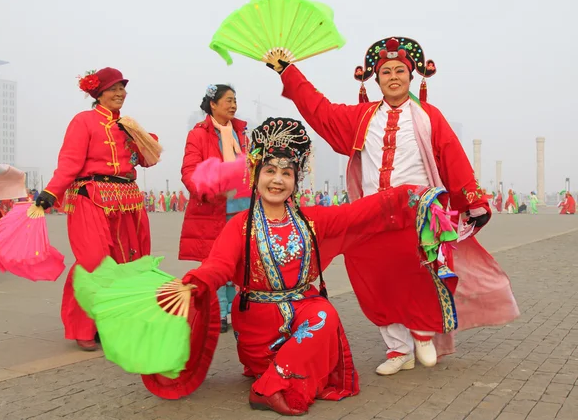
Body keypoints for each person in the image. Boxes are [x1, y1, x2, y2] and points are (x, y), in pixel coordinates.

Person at [163, 117, 455, 415]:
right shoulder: (241, 225)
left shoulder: (311, 220)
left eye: (286, 173)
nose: (277, 180)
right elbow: (219, 265)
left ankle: (270, 388)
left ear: (295, 180)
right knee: (315, 335)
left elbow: (361, 214)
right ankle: (276, 380)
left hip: (304, 317)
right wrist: (195, 282)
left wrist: (412, 195)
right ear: (255, 174)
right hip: (258, 325)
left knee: (325, 313)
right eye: (270, 171)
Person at [267, 36, 518, 375]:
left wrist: (471, 201)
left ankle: (422, 332)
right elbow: (320, 110)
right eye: (386, 72)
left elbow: (454, 160)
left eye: (400, 70)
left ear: (412, 76)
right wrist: (288, 72)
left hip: (417, 213)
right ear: (377, 78)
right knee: (372, 277)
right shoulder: (362, 118)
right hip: (370, 212)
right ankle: (398, 349)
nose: (394, 77)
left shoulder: (429, 117)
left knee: (415, 272)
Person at [35, 67, 160, 351]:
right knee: (93, 262)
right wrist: (51, 192)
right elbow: (69, 162)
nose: (120, 93)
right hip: (91, 195)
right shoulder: (84, 121)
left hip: (127, 199)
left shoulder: (127, 124)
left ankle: (112, 324)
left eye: (123, 88)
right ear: (98, 93)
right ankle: (83, 326)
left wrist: (142, 138)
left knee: (128, 262)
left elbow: (149, 160)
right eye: (114, 88)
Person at [179, 84, 249, 333]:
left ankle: (234, 308)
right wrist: (207, 189)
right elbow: (189, 171)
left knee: (239, 261)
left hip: (243, 207)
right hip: (214, 209)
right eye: (228, 100)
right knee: (216, 261)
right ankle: (218, 311)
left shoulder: (242, 133)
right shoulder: (198, 134)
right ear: (213, 104)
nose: (233, 105)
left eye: (235, 100)